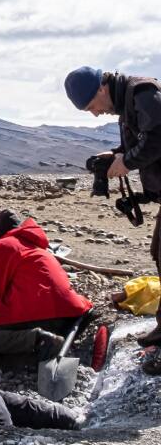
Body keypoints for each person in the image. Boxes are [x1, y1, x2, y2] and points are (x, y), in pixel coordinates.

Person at [65, 67, 161, 347]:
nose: (95, 114)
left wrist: (127, 162)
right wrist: (117, 154)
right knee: (159, 251)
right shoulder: (128, 103)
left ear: (102, 88)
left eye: (92, 106)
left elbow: (158, 136)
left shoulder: (143, 93)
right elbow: (143, 140)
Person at [0, 209, 93, 360]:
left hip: (42, 313)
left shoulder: (5, 245)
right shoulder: (38, 248)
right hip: (71, 311)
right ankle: (47, 335)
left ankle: (38, 338)